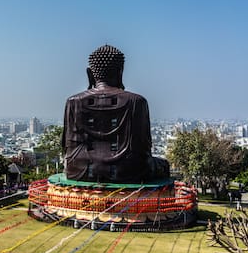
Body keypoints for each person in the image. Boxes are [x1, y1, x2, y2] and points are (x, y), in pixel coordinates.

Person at [62, 45, 169, 183]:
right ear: (120, 72)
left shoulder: (73, 102)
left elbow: (66, 146)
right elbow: (144, 148)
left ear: (89, 74)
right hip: (129, 171)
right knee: (163, 165)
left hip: (78, 170)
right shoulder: (137, 102)